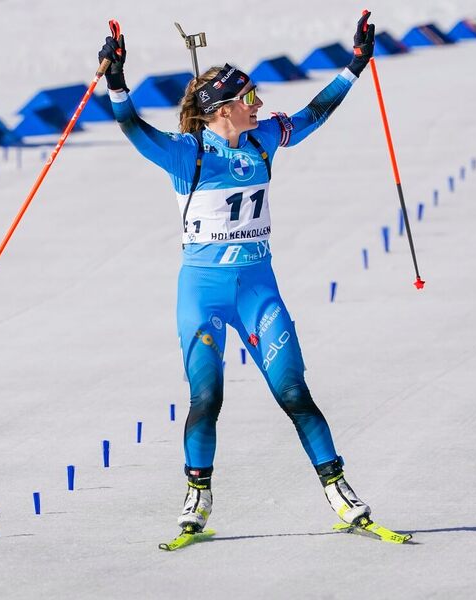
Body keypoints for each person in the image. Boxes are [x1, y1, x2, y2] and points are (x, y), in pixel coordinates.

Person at [98, 12, 377, 533]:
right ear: (222, 109)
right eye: (249, 98)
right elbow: (132, 127)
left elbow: (316, 111)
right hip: (202, 294)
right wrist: (116, 80)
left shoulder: (263, 141)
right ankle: (197, 496)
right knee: (208, 397)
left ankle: (338, 490)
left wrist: (355, 64)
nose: (260, 105)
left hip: (257, 289)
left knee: (294, 392)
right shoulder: (188, 155)